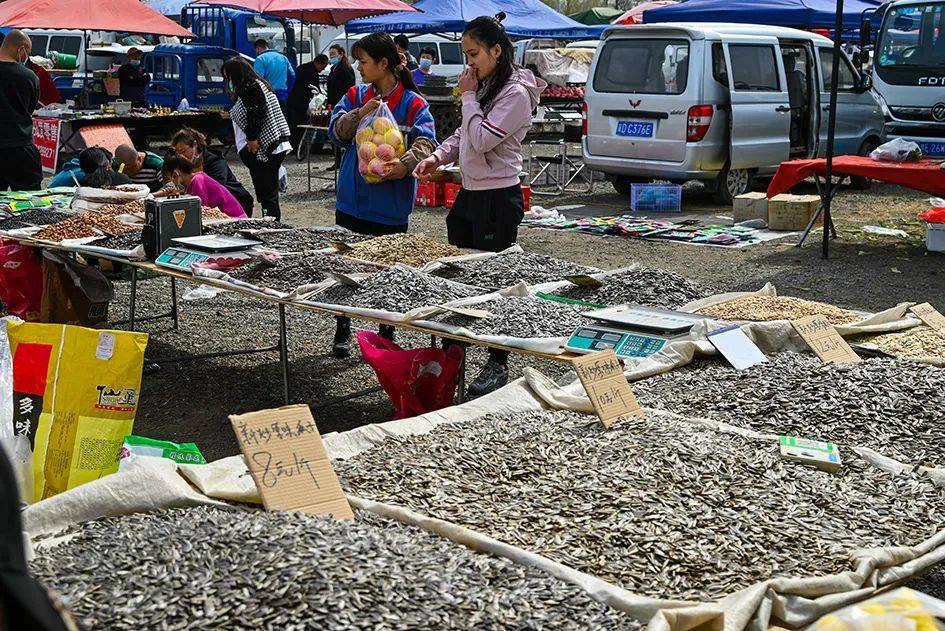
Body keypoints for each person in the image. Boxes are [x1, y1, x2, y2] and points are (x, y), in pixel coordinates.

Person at [414, 13, 546, 396]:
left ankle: (497, 360)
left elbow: (483, 138)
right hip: (471, 192)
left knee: (495, 282)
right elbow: (463, 135)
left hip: (498, 196)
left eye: (473, 54)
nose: (468, 63)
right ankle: (454, 351)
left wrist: (469, 95)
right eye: (466, 55)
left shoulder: (516, 94)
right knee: (459, 274)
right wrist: (438, 156)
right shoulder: (487, 86)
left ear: (496, 51)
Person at [327, 32, 436, 357]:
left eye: (363, 61)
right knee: (346, 269)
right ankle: (343, 327)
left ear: (383, 63)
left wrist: (403, 166)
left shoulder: (414, 103)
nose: (359, 67)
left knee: (387, 272)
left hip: (389, 206)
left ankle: (385, 333)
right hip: (352, 201)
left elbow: (427, 142)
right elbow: (335, 133)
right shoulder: (354, 94)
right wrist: (360, 113)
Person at [223, 57, 291, 220]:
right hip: (275, 145)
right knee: (269, 193)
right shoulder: (260, 85)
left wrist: (252, 138)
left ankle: (271, 224)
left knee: (267, 193)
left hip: (264, 147)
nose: (227, 81)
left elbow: (256, 112)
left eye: (228, 77)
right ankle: (272, 222)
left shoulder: (250, 87)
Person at [171, 127, 254, 216]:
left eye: (183, 151)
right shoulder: (184, 167)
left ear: (195, 145)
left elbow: (217, 186)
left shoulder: (215, 161)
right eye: (178, 154)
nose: (181, 156)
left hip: (237, 203)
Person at [0, 30, 42, 192]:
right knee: (31, 201)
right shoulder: (29, 77)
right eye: (27, 53)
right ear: (20, 49)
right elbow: (29, 109)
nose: (27, 58)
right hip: (20, 146)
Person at [160, 155, 247, 218]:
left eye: (169, 180)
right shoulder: (191, 184)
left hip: (235, 219)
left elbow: (199, 214)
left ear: (175, 175)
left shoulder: (198, 181)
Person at [288, 54, 328, 149]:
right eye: (323, 66)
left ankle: (294, 146)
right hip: (301, 103)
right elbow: (315, 89)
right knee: (300, 125)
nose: (322, 70)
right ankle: (298, 146)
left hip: (293, 100)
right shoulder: (311, 72)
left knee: (294, 125)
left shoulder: (302, 67)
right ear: (319, 63)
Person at [253, 39, 295, 106]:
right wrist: (287, 91)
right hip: (282, 95)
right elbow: (292, 75)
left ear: (258, 48)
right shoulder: (283, 57)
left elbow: (258, 79)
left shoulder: (260, 59)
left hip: (268, 97)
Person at [326, 44, 356, 110]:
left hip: (341, 103)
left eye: (333, 53)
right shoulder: (333, 68)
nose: (331, 56)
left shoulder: (346, 69)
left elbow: (348, 88)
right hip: (333, 103)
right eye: (330, 54)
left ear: (341, 54)